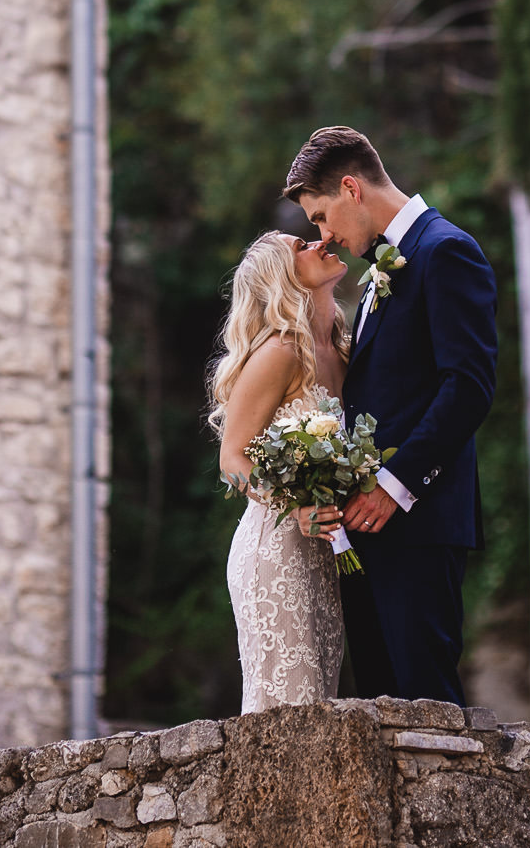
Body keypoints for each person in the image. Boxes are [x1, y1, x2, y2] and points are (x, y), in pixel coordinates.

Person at [282, 126, 498, 706]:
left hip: (418, 520)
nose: (324, 236)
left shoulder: (445, 250)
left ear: (351, 187)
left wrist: (394, 487)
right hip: (367, 528)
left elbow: (469, 387)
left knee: (427, 706)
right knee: (378, 707)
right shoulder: (383, 268)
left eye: (322, 216)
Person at [211, 229, 354, 710]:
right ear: (283, 278)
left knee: (319, 703)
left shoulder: (342, 349)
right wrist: (293, 508)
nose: (319, 242)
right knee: (287, 710)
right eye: (301, 246)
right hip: (275, 551)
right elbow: (232, 460)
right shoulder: (280, 352)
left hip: (325, 553)